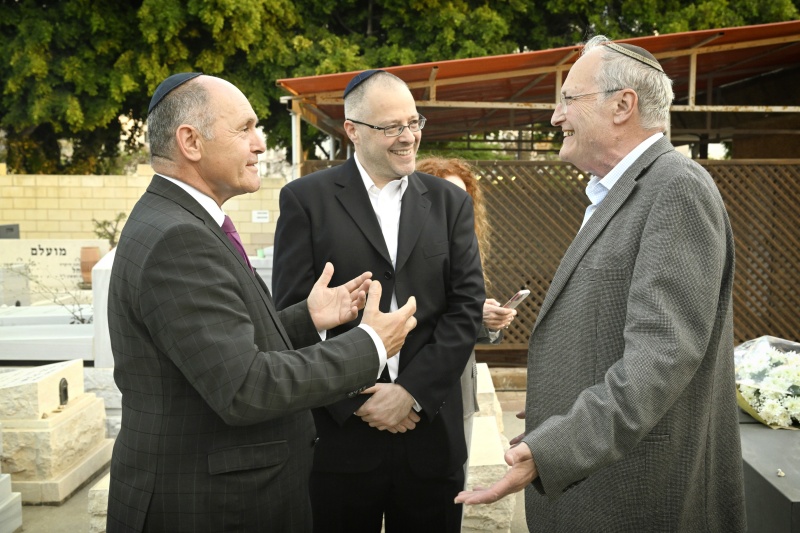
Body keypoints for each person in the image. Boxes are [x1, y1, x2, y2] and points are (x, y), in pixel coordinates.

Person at [456, 36, 747, 532]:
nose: (555, 116)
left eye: (569, 98)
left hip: (635, 500)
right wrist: (560, 395)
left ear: (623, 105)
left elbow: (661, 357)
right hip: (604, 491)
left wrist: (556, 446)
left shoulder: (676, 188)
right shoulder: (625, 191)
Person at [106, 72, 417, 533]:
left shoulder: (183, 221)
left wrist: (306, 319)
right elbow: (245, 388)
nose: (259, 144)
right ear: (190, 141)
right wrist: (370, 346)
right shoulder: (180, 238)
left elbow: (218, 351)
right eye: (245, 128)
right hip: (210, 507)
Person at [272, 70, 485, 532]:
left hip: (430, 438)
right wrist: (356, 400)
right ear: (353, 130)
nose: (408, 137)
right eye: (391, 127)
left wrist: (411, 393)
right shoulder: (305, 200)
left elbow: (466, 307)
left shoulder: (450, 203)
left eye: (414, 122)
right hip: (339, 442)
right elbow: (290, 317)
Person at [415, 156, 517, 474]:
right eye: (445, 194)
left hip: (459, 389)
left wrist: (487, 321)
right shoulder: (407, 244)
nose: (454, 205)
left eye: (462, 197)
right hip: (418, 384)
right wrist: (474, 313)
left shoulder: (465, 244)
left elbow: (462, 313)